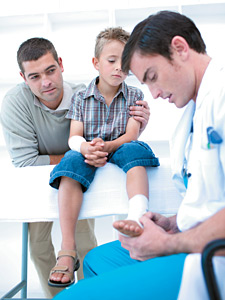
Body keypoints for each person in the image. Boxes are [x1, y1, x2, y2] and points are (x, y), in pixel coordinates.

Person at [52, 10, 225, 300]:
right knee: (96, 261)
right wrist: (172, 223)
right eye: (146, 83)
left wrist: (170, 243)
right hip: (190, 236)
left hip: (209, 258)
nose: (154, 94)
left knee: (67, 298)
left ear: (180, 48)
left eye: (153, 76)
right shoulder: (192, 109)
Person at [0, 37, 150, 297]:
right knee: (37, 244)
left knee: (84, 237)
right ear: (24, 78)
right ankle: (58, 296)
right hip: (42, 179)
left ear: (60, 65)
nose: (46, 82)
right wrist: (78, 153)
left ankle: (89, 293)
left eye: (50, 71)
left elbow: (107, 140)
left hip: (78, 180)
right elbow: (25, 162)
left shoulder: (84, 95)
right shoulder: (14, 104)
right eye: (34, 76)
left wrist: (136, 125)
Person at [48, 27, 159, 287]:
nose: (119, 68)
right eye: (111, 61)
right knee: (71, 162)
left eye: (125, 62)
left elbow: (131, 135)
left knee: (134, 151)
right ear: (96, 63)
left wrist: (107, 147)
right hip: (90, 149)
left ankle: (137, 216)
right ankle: (67, 248)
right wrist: (86, 148)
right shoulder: (80, 97)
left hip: (119, 145)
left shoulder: (134, 95)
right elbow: (74, 136)